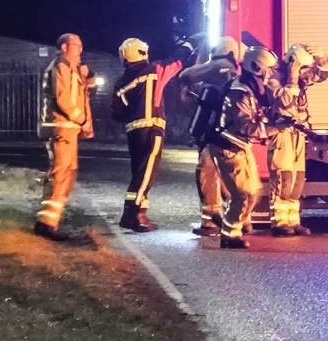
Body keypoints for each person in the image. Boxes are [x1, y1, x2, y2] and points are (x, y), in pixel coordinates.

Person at [110, 37, 194, 232]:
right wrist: (190, 43)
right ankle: (132, 215)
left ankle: (140, 212)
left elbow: (116, 114)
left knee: (139, 172)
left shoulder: (121, 82)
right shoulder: (154, 70)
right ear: (143, 53)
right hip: (152, 129)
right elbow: (178, 61)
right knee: (146, 174)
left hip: (133, 132)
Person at [210, 46, 277, 249]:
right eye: (268, 69)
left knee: (253, 192)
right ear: (256, 67)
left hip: (239, 148)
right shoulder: (239, 93)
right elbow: (245, 126)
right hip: (228, 148)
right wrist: (275, 128)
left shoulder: (247, 89)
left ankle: (234, 224)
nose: (270, 74)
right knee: (242, 195)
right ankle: (229, 235)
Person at [34, 33, 95, 241]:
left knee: (67, 174)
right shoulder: (62, 65)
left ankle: (50, 220)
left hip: (67, 128)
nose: (80, 50)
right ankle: (46, 223)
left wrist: (88, 79)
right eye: (76, 45)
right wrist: (82, 121)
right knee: (61, 173)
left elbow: (82, 95)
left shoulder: (72, 68)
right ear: (64, 47)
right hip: (60, 127)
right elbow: (64, 99)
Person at [266, 43, 328, 236]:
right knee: (283, 178)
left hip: (297, 135)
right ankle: (279, 222)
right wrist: (293, 77)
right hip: (282, 134)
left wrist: (321, 58)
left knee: (297, 181)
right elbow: (285, 101)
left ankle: (293, 221)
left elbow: (323, 74)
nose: (307, 76)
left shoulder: (301, 82)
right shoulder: (275, 80)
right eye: (305, 69)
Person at [180, 36, 241, 236]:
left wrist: (200, 53)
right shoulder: (231, 70)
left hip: (213, 132)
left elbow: (187, 75)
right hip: (226, 132)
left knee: (207, 172)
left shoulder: (219, 66)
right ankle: (235, 218)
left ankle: (211, 221)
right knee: (228, 174)